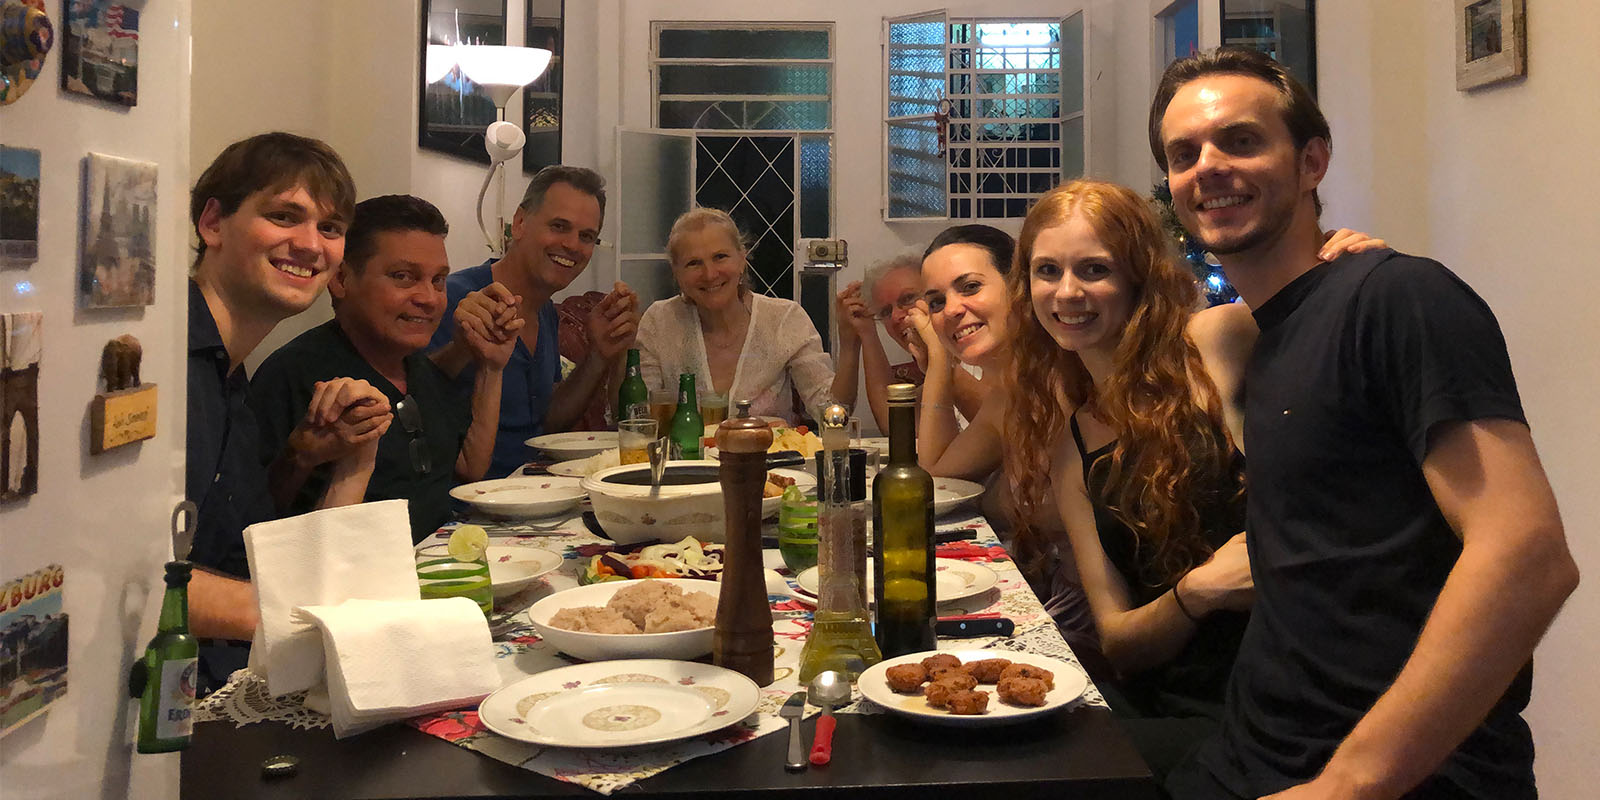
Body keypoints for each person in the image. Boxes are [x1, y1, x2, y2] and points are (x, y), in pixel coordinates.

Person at [1152, 48, 1578, 800]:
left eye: (1241, 141)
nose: (1208, 167)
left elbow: (1528, 556)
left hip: (1398, 777)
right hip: (1248, 752)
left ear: (1312, 161)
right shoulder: (1266, 335)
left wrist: (1350, 783)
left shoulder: (1397, 297)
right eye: (1184, 154)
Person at [184, 132, 392, 688]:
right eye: (283, 216)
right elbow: (119, 574)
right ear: (213, 224)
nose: (310, 245)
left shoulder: (232, 375)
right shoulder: (167, 360)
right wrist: (297, 614)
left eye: (330, 229)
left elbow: (253, 556)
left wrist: (353, 459)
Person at [249, 195, 519, 543]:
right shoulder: (293, 375)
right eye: (404, 277)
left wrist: (491, 366)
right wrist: (299, 458)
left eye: (438, 280)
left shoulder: (419, 366)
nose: (429, 298)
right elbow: (254, 521)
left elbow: (469, 467)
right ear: (342, 279)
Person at [428, 165, 638, 479]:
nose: (572, 245)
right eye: (559, 226)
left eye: (586, 236)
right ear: (520, 222)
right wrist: (462, 349)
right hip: (462, 509)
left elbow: (549, 423)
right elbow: (410, 399)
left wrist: (598, 355)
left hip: (533, 498)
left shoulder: (546, 312)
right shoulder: (456, 300)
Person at [636, 207, 855, 422]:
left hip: (770, 457)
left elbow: (831, 415)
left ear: (742, 259)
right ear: (676, 272)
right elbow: (641, 417)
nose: (710, 274)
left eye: (720, 257)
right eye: (694, 263)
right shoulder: (659, 322)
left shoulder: (784, 319)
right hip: (687, 459)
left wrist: (850, 344)